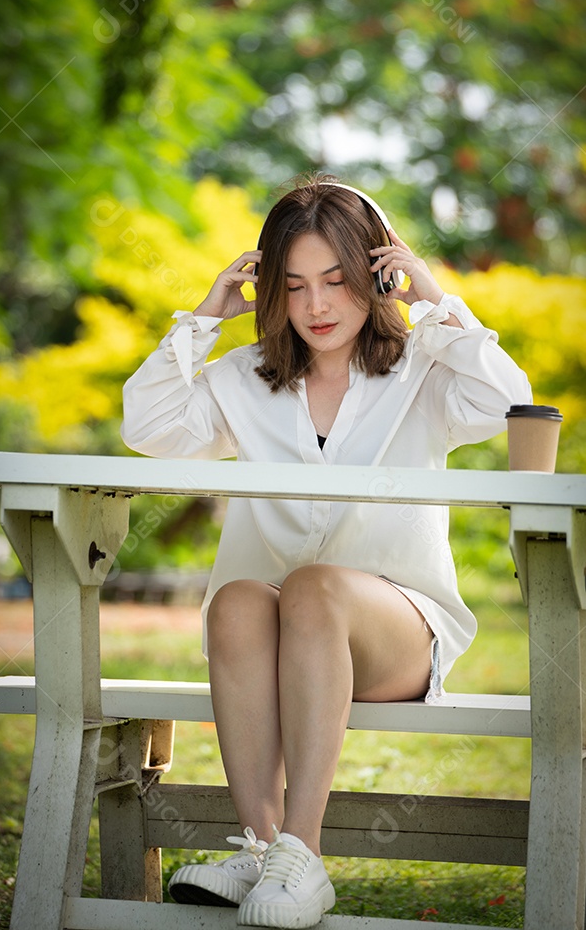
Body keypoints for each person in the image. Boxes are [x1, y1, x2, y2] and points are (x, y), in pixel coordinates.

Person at [121, 175, 531, 929]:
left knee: (312, 585)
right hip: (282, 638)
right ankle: (262, 848)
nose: (316, 306)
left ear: (379, 276)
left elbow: (508, 402)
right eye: (294, 285)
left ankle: (301, 855)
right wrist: (204, 318)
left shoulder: (423, 369)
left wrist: (434, 300)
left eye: (337, 281)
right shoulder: (244, 379)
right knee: (237, 598)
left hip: (395, 637)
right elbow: (148, 428)